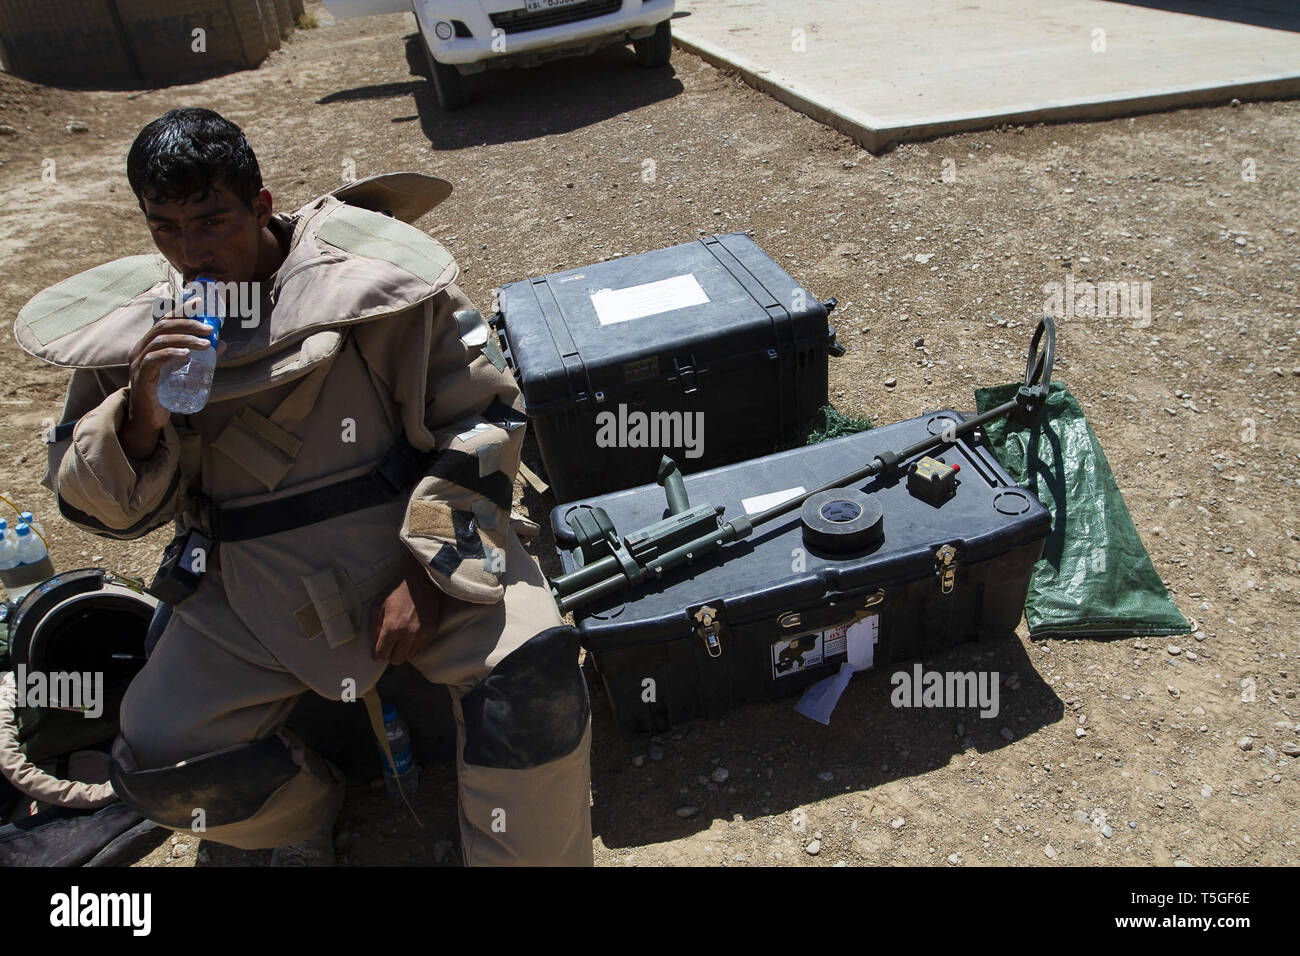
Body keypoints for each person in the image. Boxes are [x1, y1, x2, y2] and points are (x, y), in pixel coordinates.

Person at [12, 108, 593, 866]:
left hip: (409, 536)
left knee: (535, 676)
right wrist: (140, 415)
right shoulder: (139, 339)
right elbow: (101, 510)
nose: (192, 252)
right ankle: (298, 818)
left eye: (212, 220)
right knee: (157, 764)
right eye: (164, 229)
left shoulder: (379, 284)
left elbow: (483, 419)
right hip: (248, 581)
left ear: (260, 205)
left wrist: (430, 573)